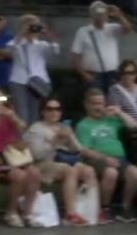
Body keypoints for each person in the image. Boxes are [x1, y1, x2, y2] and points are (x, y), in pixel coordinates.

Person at [24, 96, 98, 226]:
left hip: (65, 159)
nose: (54, 112)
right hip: (44, 163)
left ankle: (90, 210)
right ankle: (70, 214)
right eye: (50, 109)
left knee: (89, 170)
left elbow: (79, 150)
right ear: (43, 111)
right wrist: (56, 140)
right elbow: (37, 155)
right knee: (69, 170)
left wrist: (70, 137)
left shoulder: (64, 126)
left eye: (57, 109)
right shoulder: (36, 128)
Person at [75, 88, 137, 224]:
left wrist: (120, 113)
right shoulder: (83, 125)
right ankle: (104, 208)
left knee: (136, 173)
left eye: (100, 103)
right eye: (94, 103)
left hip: (120, 158)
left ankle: (125, 207)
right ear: (86, 105)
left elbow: (135, 126)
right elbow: (84, 150)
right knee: (111, 173)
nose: (98, 107)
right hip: (98, 159)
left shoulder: (111, 120)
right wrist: (105, 158)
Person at [0, 86, 42, 227]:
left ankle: (27, 213)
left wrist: (14, 117)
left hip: (10, 155)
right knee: (18, 175)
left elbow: (23, 129)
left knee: (34, 173)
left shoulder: (8, 113)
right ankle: (11, 213)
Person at [5, 14, 58, 125]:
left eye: (34, 25)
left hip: (38, 82)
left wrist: (48, 34)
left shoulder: (42, 45)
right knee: (22, 113)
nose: (31, 28)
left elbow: (55, 52)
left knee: (35, 113)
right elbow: (9, 51)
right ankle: (22, 139)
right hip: (19, 80)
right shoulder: (16, 43)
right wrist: (21, 34)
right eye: (28, 25)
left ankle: (31, 138)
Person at [70, 2, 130, 92]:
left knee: (112, 102)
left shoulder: (112, 28)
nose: (101, 17)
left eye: (103, 14)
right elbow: (75, 56)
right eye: (98, 14)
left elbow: (128, 29)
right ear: (92, 16)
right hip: (93, 75)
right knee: (96, 101)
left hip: (112, 74)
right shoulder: (83, 31)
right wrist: (85, 75)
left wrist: (119, 16)